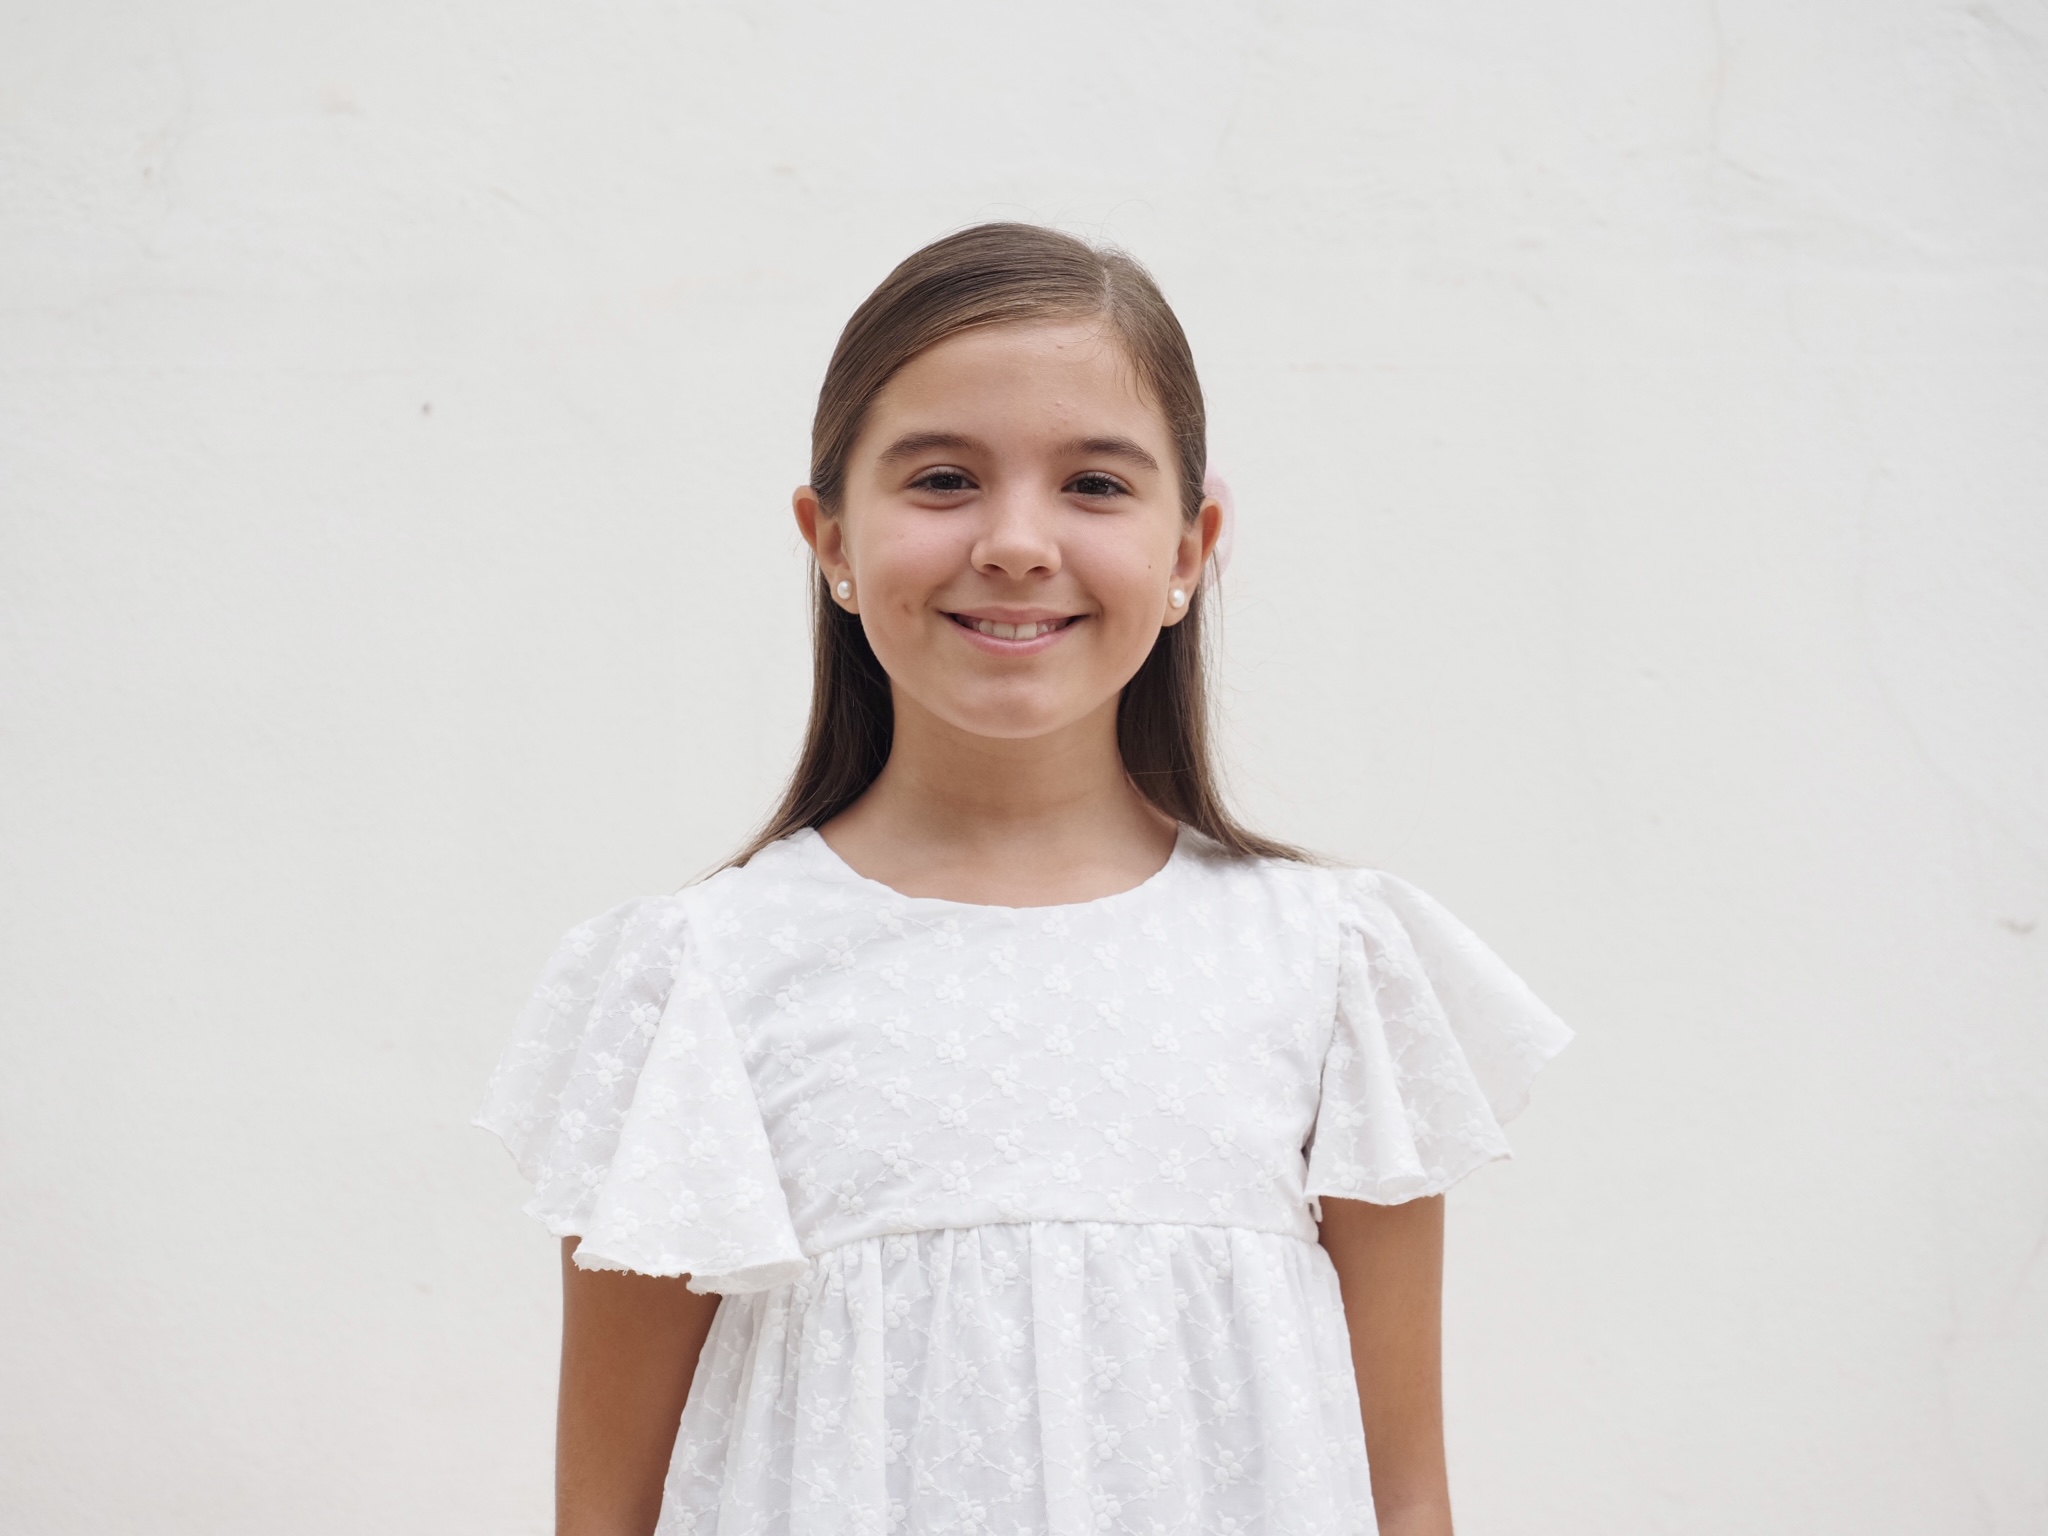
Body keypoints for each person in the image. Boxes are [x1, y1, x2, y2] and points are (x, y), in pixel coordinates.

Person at [476, 222, 1571, 1536]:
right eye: (943, 479)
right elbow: (608, 1511)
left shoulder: (1332, 965)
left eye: (1095, 484)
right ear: (830, 538)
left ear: (1190, 548)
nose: (1015, 542)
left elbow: (1406, 1495)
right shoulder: (696, 982)